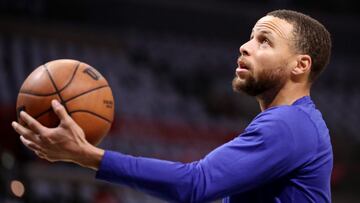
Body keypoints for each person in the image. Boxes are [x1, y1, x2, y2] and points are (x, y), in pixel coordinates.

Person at [12, 9, 333, 203]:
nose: (245, 46)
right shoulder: (298, 123)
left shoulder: (288, 125)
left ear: (300, 65)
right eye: (250, 37)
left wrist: (87, 155)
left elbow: (196, 185)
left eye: (264, 41)